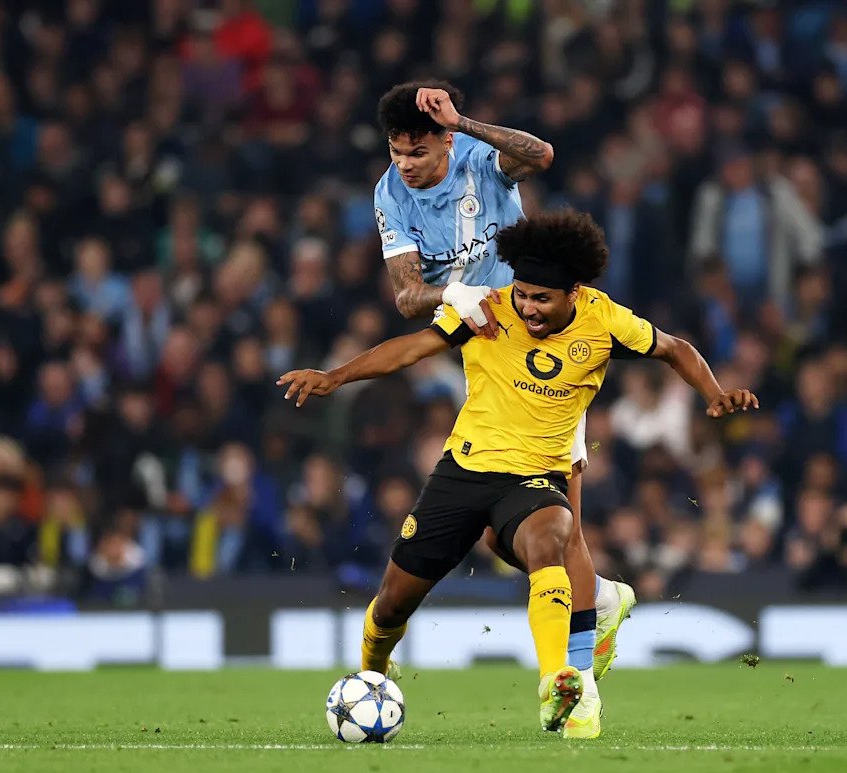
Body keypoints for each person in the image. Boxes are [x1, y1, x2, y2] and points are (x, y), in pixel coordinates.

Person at [278, 210, 758, 737]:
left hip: (536, 479)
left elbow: (675, 349)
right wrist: (336, 377)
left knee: (551, 538)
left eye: (541, 299)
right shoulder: (486, 309)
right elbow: (412, 348)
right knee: (392, 605)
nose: (527, 307)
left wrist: (714, 394)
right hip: (464, 472)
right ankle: (372, 669)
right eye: (523, 294)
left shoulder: (604, 320)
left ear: (573, 293)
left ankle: (557, 681)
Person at [372, 82, 636, 707]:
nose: (404, 164)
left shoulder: (478, 157)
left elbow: (540, 155)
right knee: (498, 535)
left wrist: (465, 121)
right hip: (482, 349)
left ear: (446, 139)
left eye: (417, 151)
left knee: (563, 529)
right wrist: (450, 293)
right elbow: (406, 297)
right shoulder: (389, 194)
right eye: (396, 151)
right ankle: (602, 596)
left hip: (542, 341)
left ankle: (577, 682)